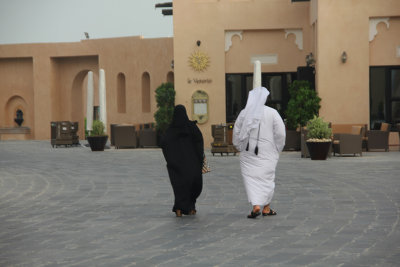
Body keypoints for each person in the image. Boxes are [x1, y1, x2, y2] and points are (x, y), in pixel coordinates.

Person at [233, 87, 286, 219]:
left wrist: (239, 146)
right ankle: (266, 208)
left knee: (251, 179)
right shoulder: (273, 113)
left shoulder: (244, 113)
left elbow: (236, 131)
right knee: (267, 179)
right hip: (268, 151)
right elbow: (280, 133)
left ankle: (256, 205)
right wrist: (278, 148)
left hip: (247, 151)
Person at [161, 105, 204, 217]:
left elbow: (164, 144)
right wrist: (200, 158)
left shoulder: (170, 131)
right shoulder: (192, 127)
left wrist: (171, 160)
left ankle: (179, 208)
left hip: (176, 166)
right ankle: (190, 208)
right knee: (193, 186)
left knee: (179, 187)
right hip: (193, 165)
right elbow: (199, 142)